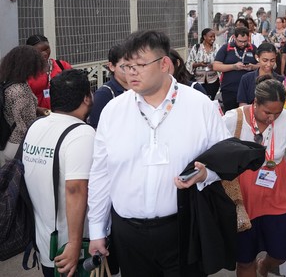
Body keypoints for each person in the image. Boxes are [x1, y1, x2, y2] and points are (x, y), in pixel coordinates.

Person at [88, 30, 231, 277]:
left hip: (183, 229)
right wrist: (97, 230)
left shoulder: (200, 106)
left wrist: (206, 174)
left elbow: (226, 159)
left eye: (139, 65)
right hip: (128, 235)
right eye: (126, 65)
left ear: (165, 64)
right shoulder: (113, 111)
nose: (130, 72)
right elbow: (101, 174)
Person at [222, 76, 286, 277]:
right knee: (244, 260)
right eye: (267, 112)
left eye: (277, 113)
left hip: (274, 196)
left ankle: (266, 266)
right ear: (255, 102)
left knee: (281, 252)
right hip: (242, 199)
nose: (272, 118)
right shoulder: (233, 119)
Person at [23, 69, 95, 277]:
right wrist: (74, 244)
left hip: (45, 242)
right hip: (71, 249)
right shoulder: (81, 133)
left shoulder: (37, 126)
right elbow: (75, 190)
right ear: (86, 98)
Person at [0, 45, 44, 165]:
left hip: (10, 143)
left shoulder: (9, 83)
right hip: (19, 145)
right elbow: (23, 125)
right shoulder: (20, 90)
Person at [213, 27, 258, 112]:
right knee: (231, 114)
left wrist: (253, 67)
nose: (243, 44)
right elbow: (216, 66)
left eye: (245, 41)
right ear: (234, 37)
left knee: (247, 114)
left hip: (249, 89)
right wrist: (233, 66)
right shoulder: (226, 48)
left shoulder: (253, 49)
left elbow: (261, 64)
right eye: (240, 41)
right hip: (230, 89)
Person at [26, 34, 73, 115]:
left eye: (47, 49)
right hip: (37, 118)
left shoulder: (62, 65)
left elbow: (76, 87)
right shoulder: (26, 72)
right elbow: (22, 100)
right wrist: (38, 110)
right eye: (39, 51)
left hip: (62, 115)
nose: (44, 53)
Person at [87, 44, 130, 128]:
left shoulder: (140, 89)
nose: (131, 71)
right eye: (125, 67)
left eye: (134, 65)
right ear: (111, 66)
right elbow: (96, 127)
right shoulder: (104, 95)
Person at [186, 28, 220, 100]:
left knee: (210, 100)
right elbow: (189, 63)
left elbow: (221, 62)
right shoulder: (196, 48)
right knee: (200, 99)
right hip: (199, 81)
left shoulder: (217, 48)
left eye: (214, 36)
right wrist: (199, 64)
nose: (213, 38)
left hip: (213, 81)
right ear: (204, 37)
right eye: (211, 36)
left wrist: (213, 66)